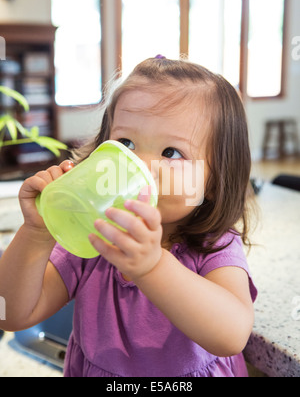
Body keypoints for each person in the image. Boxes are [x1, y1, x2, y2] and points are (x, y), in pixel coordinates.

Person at [0, 57, 257, 377]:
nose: (139, 165)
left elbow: (231, 335)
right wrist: (37, 233)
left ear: (215, 182)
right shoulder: (94, 235)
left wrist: (152, 266)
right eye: (125, 143)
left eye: (171, 152)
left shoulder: (214, 246)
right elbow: (8, 313)